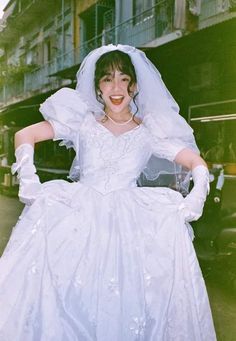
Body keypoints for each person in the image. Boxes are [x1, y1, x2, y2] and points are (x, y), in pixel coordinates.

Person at [0, 44, 216, 340]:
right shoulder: (81, 122)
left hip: (131, 223)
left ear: (135, 86)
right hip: (77, 217)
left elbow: (195, 161)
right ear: (98, 88)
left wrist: (197, 195)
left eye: (123, 79)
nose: (116, 87)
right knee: (67, 298)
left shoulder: (150, 131)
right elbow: (25, 135)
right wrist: (28, 181)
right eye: (107, 79)